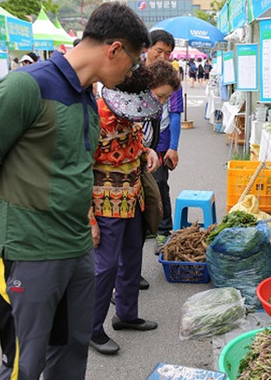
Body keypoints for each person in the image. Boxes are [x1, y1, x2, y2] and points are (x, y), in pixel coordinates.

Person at [0, 1, 150, 379]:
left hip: (75, 248)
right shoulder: (27, 86)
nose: (130, 72)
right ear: (114, 48)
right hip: (29, 251)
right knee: (25, 361)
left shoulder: (87, 95)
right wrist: (4, 213)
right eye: (132, 62)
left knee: (70, 353)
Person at [89, 60, 179, 355]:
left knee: (131, 259)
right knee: (105, 267)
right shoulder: (99, 112)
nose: (163, 102)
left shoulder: (132, 111)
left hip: (133, 198)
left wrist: (148, 151)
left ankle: (126, 315)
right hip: (105, 204)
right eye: (162, 96)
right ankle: (91, 329)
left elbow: (134, 145)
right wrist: (88, 217)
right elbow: (80, 166)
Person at [143, 30, 183, 253]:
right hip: (137, 141)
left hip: (161, 141)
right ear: (147, 48)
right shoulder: (135, 74)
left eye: (167, 53)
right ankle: (147, 226)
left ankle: (162, 231)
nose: (163, 56)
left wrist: (173, 147)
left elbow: (175, 113)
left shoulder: (171, 77)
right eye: (159, 50)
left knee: (159, 184)